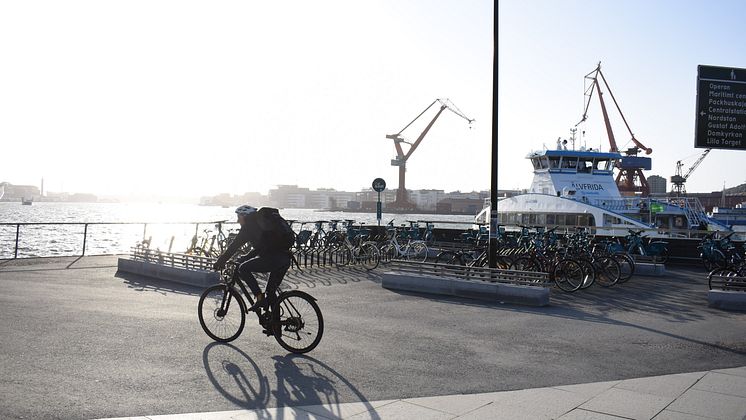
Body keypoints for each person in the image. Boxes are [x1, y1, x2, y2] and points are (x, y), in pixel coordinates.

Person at [212, 205, 292, 313]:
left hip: (273, 260)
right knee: (271, 293)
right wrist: (245, 257)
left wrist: (220, 262)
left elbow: (233, 246)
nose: (237, 220)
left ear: (245, 216)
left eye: (239, 217)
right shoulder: (262, 224)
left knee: (243, 268)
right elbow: (262, 247)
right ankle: (275, 326)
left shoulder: (248, 227)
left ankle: (259, 297)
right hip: (285, 258)